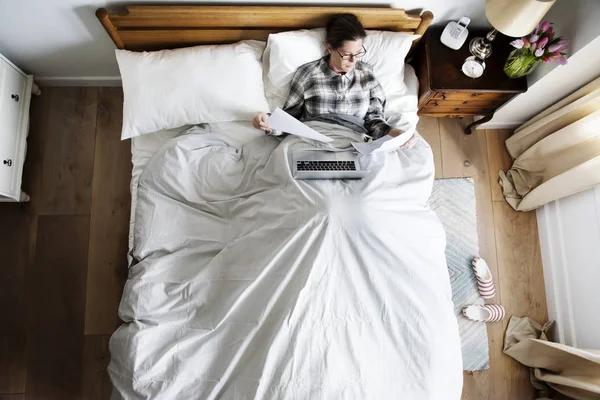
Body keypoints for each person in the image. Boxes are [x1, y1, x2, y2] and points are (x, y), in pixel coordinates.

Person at [252, 13, 417, 148]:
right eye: (347, 54)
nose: (353, 61)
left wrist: (397, 134)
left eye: (359, 53)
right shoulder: (308, 74)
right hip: (312, 142)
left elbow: (374, 120)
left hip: (354, 144)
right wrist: (268, 121)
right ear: (330, 48)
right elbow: (291, 118)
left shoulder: (366, 74)